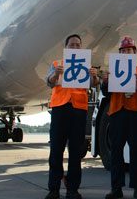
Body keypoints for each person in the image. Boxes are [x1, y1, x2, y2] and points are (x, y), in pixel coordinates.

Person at [44, 34, 99, 199]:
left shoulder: (86, 65)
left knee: (75, 151)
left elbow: (93, 84)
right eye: (72, 45)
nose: (75, 47)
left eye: (77, 45)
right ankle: (53, 189)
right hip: (60, 108)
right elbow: (49, 82)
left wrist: (94, 75)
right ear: (66, 48)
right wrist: (56, 74)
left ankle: (72, 189)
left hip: (79, 109)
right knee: (56, 150)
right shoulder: (57, 64)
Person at [102, 36, 137, 199]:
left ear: (135, 52)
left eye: (129, 50)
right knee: (116, 152)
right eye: (123, 51)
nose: (126, 53)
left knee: (136, 152)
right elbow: (106, 93)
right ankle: (116, 188)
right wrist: (106, 81)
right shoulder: (112, 71)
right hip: (117, 114)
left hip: (135, 114)